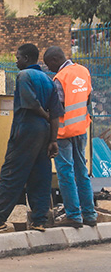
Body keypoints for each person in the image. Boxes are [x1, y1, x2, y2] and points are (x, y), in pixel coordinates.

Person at [0, 43, 63, 232]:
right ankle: (40, 220)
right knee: (40, 175)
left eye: (17, 58)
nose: (15, 62)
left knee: (12, 174)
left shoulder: (24, 76)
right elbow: (56, 113)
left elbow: (31, 104)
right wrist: (53, 140)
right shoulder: (49, 80)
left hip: (26, 130)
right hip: (44, 133)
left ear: (27, 59)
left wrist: (44, 117)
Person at [44, 46, 97, 228]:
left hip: (64, 132)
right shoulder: (83, 71)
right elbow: (88, 98)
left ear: (54, 60)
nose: (48, 68)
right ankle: (89, 214)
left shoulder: (60, 78)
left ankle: (74, 215)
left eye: (48, 64)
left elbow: (57, 108)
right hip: (81, 129)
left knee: (65, 173)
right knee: (81, 172)